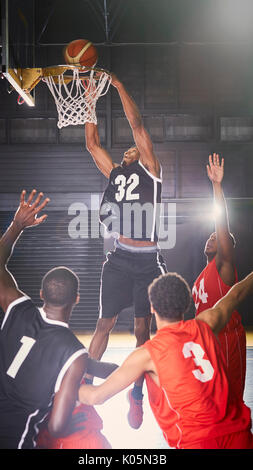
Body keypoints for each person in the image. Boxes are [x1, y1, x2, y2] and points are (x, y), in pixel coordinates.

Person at [0, 189, 117, 449]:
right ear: (77, 299)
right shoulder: (73, 351)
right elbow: (57, 426)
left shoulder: (18, 309)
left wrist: (17, 225)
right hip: (15, 440)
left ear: (40, 294)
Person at [78, 271, 253, 449]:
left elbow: (95, 396)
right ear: (186, 304)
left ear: (152, 308)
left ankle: (136, 394)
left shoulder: (147, 354)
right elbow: (236, 293)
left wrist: (63, 382)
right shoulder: (207, 323)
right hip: (240, 436)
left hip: (197, 442)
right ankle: (136, 394)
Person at [84, 73, 167, 429]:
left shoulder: (152, 170)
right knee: (103, 325)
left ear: (143, 152)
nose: (129, 149)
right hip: (119, 259)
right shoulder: (116, 173)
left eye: (135, 147)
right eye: (127, 149)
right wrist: (89, 100)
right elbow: (91, 144)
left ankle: (137, 395)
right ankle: (84, 392)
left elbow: (136, 124)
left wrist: (117, 87)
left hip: (148, 262)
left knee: (141, 334)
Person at [192, 153, 246, 399]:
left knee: (228, 401)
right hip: (205, 339)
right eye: (211, 236)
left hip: (225, 336)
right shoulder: (200, 277)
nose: (211, 237)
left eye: (216, 238)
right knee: (209, 401)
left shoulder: (223, 265)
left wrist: (216, 185)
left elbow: (221, 224)